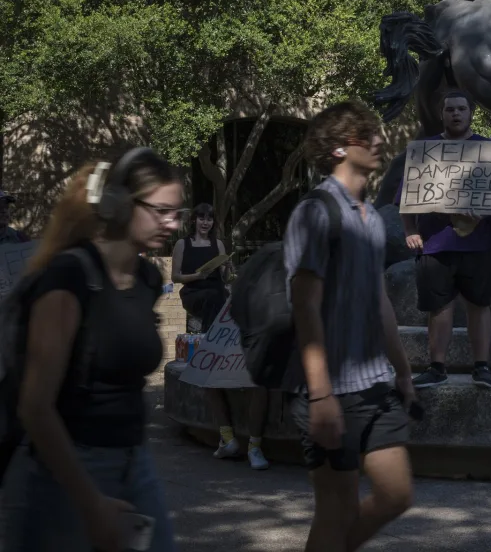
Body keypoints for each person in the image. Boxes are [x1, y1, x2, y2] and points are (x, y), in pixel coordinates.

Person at [1, 149, 181, 551]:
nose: (173, 224)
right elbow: (35, 406)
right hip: (63, 474)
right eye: (161, 211)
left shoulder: (147, 279)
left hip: (135, 462)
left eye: (177, 213)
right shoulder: (69, 277)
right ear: (118, 206)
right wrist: (90, 503)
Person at [285, 101, 418, 552]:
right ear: (341, 148)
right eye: (367, 135)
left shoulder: (373, 218)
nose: (379, 141)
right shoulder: (315, 212)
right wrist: (321, 395)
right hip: (329, 391)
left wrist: (401, 371)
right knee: (336, 511)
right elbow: (306, 308)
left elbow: (380, 301)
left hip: (376, 387)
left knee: (397, 494)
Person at [401, 91, 491, 390]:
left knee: (479, 305)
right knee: (439, 308)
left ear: (471, 113)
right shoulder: (425, 151)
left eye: (461, 109)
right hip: (435, 242)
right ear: (441, 114)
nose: (455, 114)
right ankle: (436, 367)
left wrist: (485, 210)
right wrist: (410, 231)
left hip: (480, 243)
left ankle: (482, 367)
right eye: (449, 110)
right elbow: (406, 199)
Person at [171, 203, 269, 471]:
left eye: (209, 219)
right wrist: (198, 275)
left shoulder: (219, 245)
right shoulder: (183, 244)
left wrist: (227, 270)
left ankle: (240, 443)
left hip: (216, 292)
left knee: (224, 298)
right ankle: (224, 341)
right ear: (194, 221)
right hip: (195, 293)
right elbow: (175, 276)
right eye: (201, 218)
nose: (205, 222)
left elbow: (226, 276)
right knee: (216, 299)